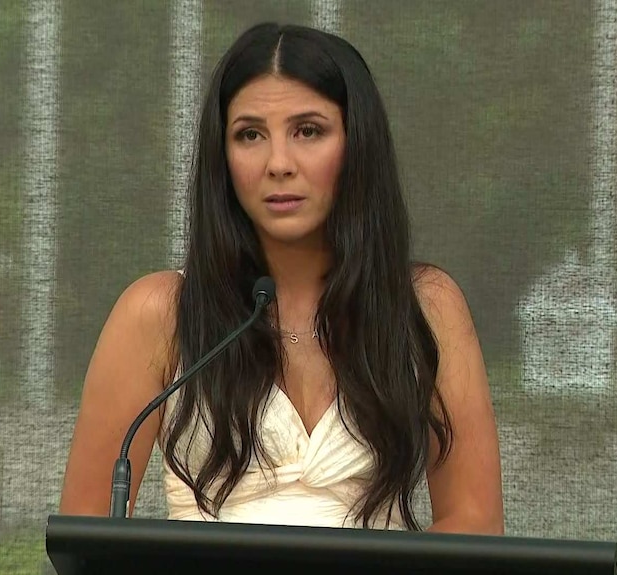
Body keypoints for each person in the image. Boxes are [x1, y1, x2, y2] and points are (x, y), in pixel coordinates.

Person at [59, 22, 503, 534]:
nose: (278, 163)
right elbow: (85, 534)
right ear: (222, 158)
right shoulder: (158, 312)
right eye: (250, 134)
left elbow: (473, 523)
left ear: (357, 144)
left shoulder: (425, 307)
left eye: (308, 130)